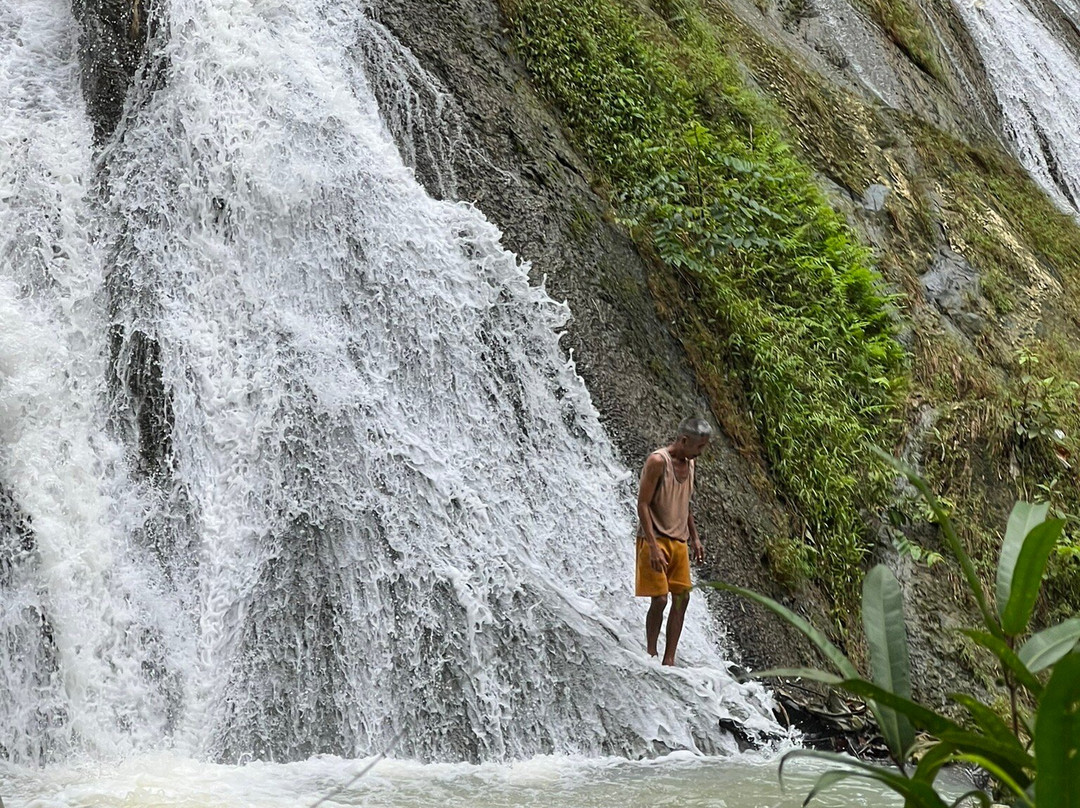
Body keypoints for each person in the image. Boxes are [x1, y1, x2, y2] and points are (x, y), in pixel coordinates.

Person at [635, 417, 711, 665]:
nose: (701, 452)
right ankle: (650, 652)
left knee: (682, 598)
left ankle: (669, 660)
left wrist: (696, 538)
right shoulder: (658, 462)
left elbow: (685, 504)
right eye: (699, 447)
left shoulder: (690, 465)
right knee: (659, 599)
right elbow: (643, 504)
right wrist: (653, 547)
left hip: (679, 541)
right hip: (654, 540)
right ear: (684, 440)